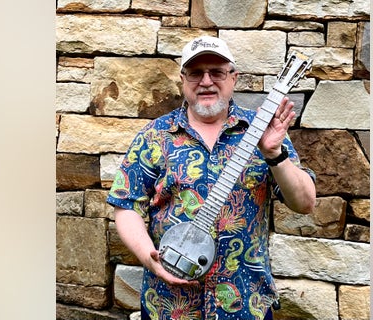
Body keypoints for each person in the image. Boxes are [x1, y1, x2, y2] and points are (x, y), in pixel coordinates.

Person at [107, 35, 316, 320]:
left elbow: (304, 203)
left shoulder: (264, 132)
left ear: (233, 78)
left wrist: (274, 154)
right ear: (183, 80)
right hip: (170, 305)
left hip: (245, 304)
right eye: (196, 73)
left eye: (216, 72)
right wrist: (149, 259)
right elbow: (127, 205)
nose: (206, 81)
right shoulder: (154, 136)